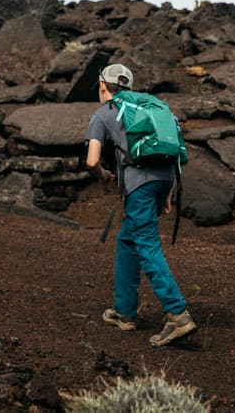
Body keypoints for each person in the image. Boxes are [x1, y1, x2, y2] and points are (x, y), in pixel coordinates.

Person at [84, 63, 196, 347]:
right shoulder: (150, 108)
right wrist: (167, 195)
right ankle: (124, 311)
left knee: (147, 243)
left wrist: (102, 175)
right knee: (129, 239)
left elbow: (92, 160)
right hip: (164, 179)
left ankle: (177, 313)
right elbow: (172, 153)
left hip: (139, 185)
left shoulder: (104, 113)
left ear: (102, 86)